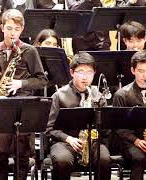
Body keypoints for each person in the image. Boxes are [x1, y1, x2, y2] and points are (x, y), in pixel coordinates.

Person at [0, 9, 48, 179]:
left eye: (17, 29)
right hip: (2, 105)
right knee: (0, 154)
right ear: (2, 27)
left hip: (24, 105)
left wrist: (21, 83)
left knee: (22, 154)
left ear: (22, 29)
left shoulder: (29, 51)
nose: (13, 33)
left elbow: (42, 80)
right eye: (9, 28)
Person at [46, 52, 111, 180]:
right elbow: (49, 129)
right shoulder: (59, 96)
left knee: (104, 159)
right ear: (72, 72)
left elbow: (107, 128)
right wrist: (68, 139)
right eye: (80, 72)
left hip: (92, 142)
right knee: (62, 160)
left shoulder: (98, 96)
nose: (85, 77)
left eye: (89, 73)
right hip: (64, 142)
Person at [113, 51, 146, 180]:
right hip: (129, 140)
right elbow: (118, 127)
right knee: (138, 158)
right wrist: (136, 141)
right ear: (133, 71)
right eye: (141, 71)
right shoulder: (122, 94)